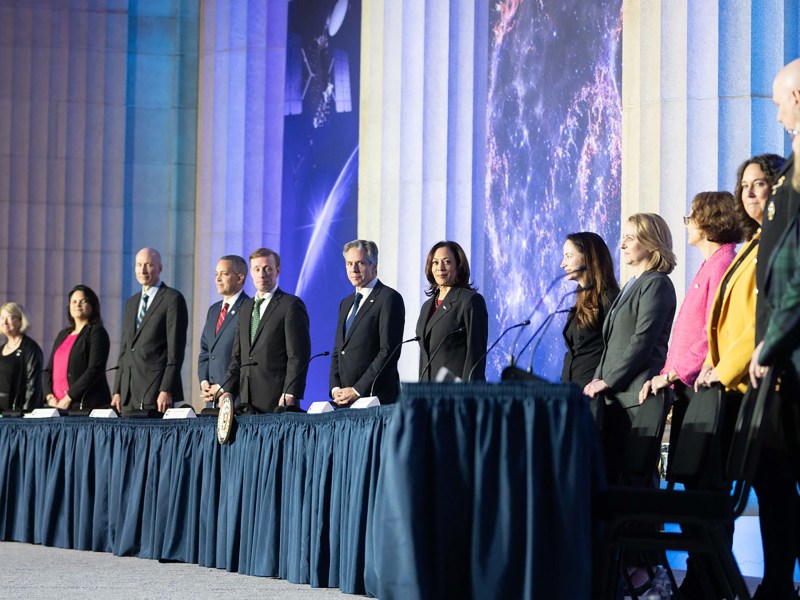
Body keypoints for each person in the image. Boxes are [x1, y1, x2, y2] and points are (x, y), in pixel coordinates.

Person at [747, 57, 800, 600]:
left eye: (780, 99)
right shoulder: (791, 169)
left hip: (790, 351)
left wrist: (773, 339)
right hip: (784, 363)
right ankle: (780, 586)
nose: (778, 110)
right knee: (778, 480)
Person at [584, 213, 677, 484]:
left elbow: (642, 341)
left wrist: (608, 381)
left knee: (635, 479)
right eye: (623, 237)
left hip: (636, 398)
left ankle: (643, 528)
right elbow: (613, 342)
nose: (622, 244)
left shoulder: (657, 283)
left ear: (650, 243)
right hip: (616, 398)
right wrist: (597, 381)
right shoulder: (633, 284)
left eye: (630, 238)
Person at [217, 248, 311, 413]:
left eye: (267, 268)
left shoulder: (290, 305)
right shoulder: (245, 307)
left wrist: (290, 392)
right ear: (251, 273)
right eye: (257, 269)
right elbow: (237, 355)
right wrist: (228, 390)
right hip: (246, 401)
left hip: (278, 400)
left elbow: (298, 355)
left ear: (277, 271)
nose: (262, 274)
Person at [112, 247, 189, 415]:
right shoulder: (131, 303)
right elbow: (124, 350)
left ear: (160, 268)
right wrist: (117, 390)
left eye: (148, 265)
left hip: (155, 391)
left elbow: (175, 350)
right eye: (139, 265)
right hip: (127, 393)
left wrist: (166, 388)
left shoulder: (172, 299)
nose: (143, 270)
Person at [329, 240, 405, 405]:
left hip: (375, 398)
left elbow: (388, 351)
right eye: (349, 263)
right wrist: (335, 389)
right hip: (344, 401)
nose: (353, 269)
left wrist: (357, 390)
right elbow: (338, 350)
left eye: (360, 263)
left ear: (374, 266)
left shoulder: (388, 298)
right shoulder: (346, 303)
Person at [416, 241, 488, 381]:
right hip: (427, 393)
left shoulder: (470, 301)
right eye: (435, 263)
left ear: (458, 266)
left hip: (455, 393)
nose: (440, 268)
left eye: (447, 262)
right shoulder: (426, 307)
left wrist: (467, 395)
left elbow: (476, 355)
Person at [560, 232, 620, 390]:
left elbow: (619, 349)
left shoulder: (610, 299)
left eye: (568, 256)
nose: (563, 264)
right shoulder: (580, 300)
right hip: (572, 394)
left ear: (588, 257)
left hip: (593, 396)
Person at [43, 285, 111, 410]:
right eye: (73, 301)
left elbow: (94, 369)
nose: (77, 305)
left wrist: (69, 397)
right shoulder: (63, 334)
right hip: (56, 406)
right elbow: (48, 370)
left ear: (92, 306)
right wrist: (49, 396)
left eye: (83, 301)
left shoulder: (97, 332)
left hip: (84, 405)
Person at [198, 255, 249, 407]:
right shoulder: (213, 310)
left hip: (235, 396)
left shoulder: (248, 308)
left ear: (240, 278)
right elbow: (206, 351)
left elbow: (243, 355)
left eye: (224, 274)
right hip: (211, 398)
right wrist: (204, 381)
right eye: (216, 274)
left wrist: (222, 386)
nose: (218, 279)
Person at [0, 302, 43, 412]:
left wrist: (25, 413)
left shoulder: (30, 348)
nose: (4, 322)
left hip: (19, 413)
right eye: (2, 318)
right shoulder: (1, 349)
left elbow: (33, 386)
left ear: (21, 320)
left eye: (10, 317)